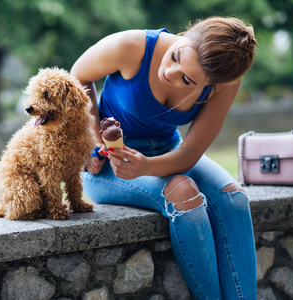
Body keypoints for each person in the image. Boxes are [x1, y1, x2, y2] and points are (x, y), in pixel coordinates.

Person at [70, 16, 258, 300]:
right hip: (109, 164)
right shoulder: (131, 46)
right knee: (183, 192)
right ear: (185, 34)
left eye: (187, 79)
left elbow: (190, 153)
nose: (170, 72)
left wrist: (146, 166)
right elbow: (77, 76)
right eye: (175, 57)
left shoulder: (224, 82)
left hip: (169, 152)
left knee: (234, 199)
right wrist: (94, 141)